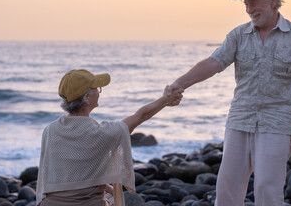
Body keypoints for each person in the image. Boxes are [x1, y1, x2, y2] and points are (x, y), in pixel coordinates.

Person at [166, 0, 291, 206]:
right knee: (227, 188)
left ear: (273, 1)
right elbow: (213, 63)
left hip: (278, 124)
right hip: (239, 120)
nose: (249, 9)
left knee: (267, 189)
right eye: (246, 4)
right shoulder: (238, 35)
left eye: (254, 2)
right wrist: (180, 83)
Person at [36, 69, 183, 206]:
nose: (99, 92)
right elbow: (140, 116)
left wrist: (105, 186)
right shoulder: (100, 134)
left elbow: (68, 173)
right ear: (87, 98)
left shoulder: (50, 130)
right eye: (97, 89)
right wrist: (165, 100)